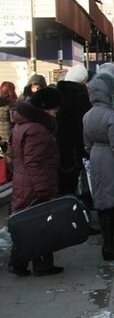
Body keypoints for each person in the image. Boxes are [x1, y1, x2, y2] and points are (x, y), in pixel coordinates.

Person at [8, 87, 64, 276]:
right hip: (34, 183)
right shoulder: (38, 129)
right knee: (41, 223)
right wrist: (43, 189)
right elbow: (35, 162)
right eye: (53, 108)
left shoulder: (22, 123)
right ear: (44, 107)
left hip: (23, 180)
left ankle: (19, 263)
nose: (55, 112)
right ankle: (42, 266)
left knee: (27, 223)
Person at [83, 71, 114, 261]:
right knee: (111, 202)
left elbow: (86, 144)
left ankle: (107, 242)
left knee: (101, 201)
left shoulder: (87, 116)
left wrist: (94, 152)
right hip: (110, 158)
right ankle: (110, 245)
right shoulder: (112, 115)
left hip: (95, 157)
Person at [56, 64, 92, 195]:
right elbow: (83, 128)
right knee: (73, 187)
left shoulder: (57, 95)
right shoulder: (82, 97)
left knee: (62, 188)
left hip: (58, 151)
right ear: (83, 81)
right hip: (75, 152)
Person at [0, 81, 18, 180]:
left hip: (0, 136)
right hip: (9, 135)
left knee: (2, 158)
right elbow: (14, 120)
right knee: (10, 158)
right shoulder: (12, 104)